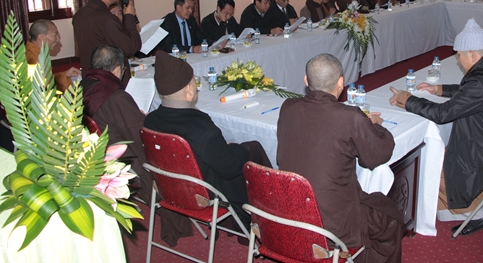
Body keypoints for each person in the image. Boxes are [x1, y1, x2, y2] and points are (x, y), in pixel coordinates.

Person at [389, 18, 483, 236]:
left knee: (434, 160)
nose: (458, 60)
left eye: (459, 56)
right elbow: (471, 93)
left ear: (472, 55)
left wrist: (407, 100)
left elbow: (442, 114)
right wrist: (440, 89)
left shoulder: (479, 82)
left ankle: (474, 214)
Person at [277, 54, 403, 263]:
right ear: (341, 83)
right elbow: (376, 156)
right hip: (333, 223)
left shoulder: (288, 107)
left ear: (306, 81)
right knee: (390, 216)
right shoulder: (350, 116)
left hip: (290, 209)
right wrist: (376, 126)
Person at [144, 51, 271, 229]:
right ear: (189, 90)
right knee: (252, 148)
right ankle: (268, 215)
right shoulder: (201, 129)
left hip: (172, 188)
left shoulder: (150, 121)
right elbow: (230, 169)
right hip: (207, 192)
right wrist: (238, 149)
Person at [81, 45, 150, 200]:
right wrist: (145, 119)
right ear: (118, 69)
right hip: (120, 165)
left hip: (91, 159)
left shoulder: (80, 87)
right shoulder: (116, 97)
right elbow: (140, 137)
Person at [72, 0, 141, 86]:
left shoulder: (79, 15)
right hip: (107, 82)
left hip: (89, 79)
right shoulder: (106, 19)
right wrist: (129, 16)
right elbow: (130, 47)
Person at [26, 19, 81, 92]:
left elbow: (48, 79)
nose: (58, 39)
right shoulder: (34, 59)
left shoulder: (31, 50)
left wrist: (65, 74)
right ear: (41, 38)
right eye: (55, 35)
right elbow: (46, 89)